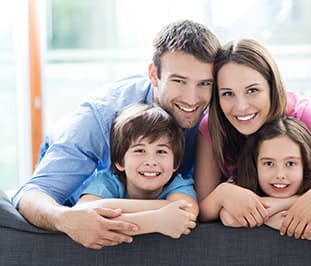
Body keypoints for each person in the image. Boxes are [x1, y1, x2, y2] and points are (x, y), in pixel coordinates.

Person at [12, 19, 220, 249]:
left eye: (204, 83)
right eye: (179, 81)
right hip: (86, 190)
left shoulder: (216, 110)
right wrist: (66, 220)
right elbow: (31, 195)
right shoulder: (101, 116)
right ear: (154, 74)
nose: (192, 99)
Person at [194, 39, 311, 240]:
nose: (241, 106)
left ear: (272, 86)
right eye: (228, 94)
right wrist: (222, 193)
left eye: (252, 90)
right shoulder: (212, 126)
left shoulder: (302, 114)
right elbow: (203, 212)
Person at [72, 104, 197, 243]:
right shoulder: (108, 182)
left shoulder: (179, 185)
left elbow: (187, 212)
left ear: (176, 163)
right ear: (120, 161)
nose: (151, 162)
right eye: (139, 151)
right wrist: (157, 220)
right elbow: (82, 213)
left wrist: (106, 208)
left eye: (161, 152)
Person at [219, 117, 311, 243]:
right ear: (255, 165)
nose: (280, 175)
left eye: (290, 163)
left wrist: (266, 214)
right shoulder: (241, 187)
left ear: (305, 166)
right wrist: (300, 199)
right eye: (269, 163)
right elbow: (228, 216)